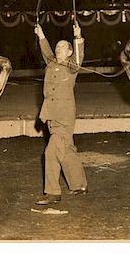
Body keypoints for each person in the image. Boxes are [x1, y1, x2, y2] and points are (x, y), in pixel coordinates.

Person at [34, 22, 88, 205]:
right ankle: (79, 184)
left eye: (63, 47)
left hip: (64, 117)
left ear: (70, 52)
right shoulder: (51, 64)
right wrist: (41, 35)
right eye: (57, 46)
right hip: (51, 116)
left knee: (51, 152)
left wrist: (78, 37)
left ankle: (52, 192)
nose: (58, 49)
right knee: (66, 150)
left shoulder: (71, 67)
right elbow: (46, 52)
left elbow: (80, 56)